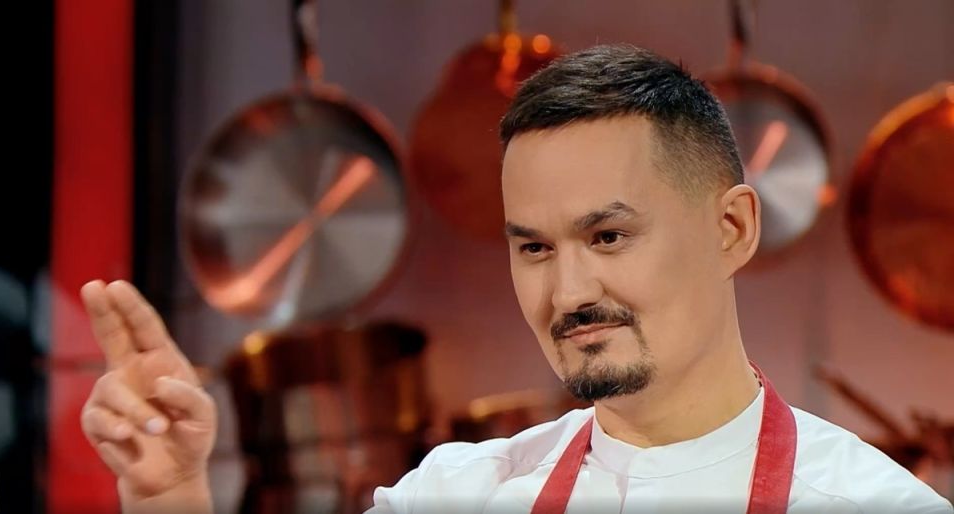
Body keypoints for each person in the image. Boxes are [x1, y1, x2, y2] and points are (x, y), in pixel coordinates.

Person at [79, 44, 953, 513]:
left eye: (607, 235)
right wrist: (169, 496)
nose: (567, 292)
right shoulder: (455, 495)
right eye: (534, 248)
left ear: (731, 230)